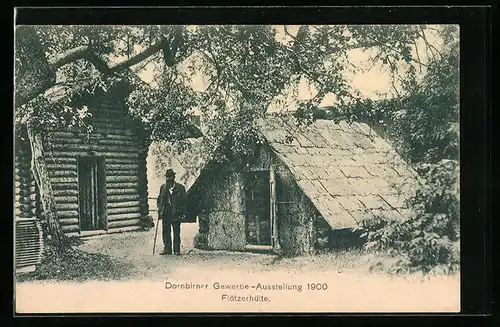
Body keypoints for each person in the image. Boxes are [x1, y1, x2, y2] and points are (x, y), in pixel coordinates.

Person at [157, 169, 187, 255]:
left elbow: (184, 202)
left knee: (176, 232)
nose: (168, 179)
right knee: (166, 231)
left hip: (176, 213)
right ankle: (167, 249)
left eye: (170, 177)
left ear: (174, 177)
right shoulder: (163, 187)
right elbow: (160, 199)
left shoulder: (180, 188)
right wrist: (159, 209)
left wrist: (183, 213)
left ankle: (176, 250)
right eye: (167, 178)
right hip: (166, 213)